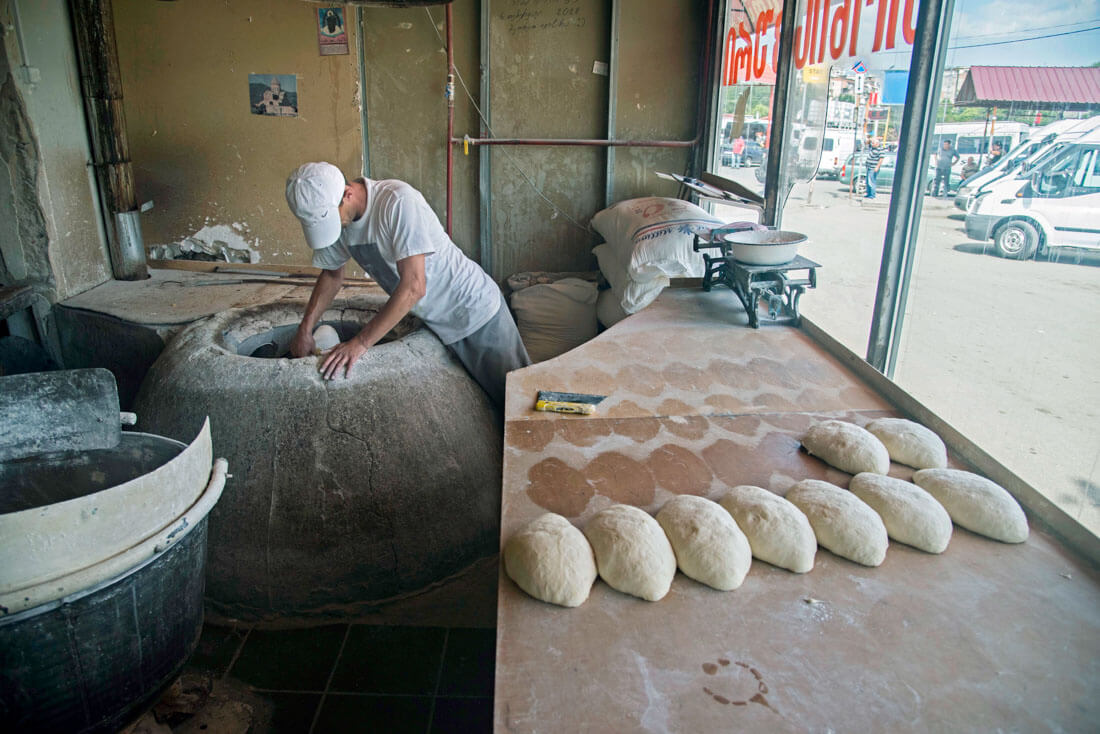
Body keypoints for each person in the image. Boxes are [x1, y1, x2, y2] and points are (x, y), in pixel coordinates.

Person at [284, 162, 530, 407]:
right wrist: (305, 329)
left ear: (348, 193)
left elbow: (414, 286)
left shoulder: (396, 201)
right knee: (482, 407)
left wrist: (359, 343)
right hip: (437, 321)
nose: (335, 230)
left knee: (519, 403)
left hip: (475, 312)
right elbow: (331, 275)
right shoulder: (342, 222)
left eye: (333, 220)